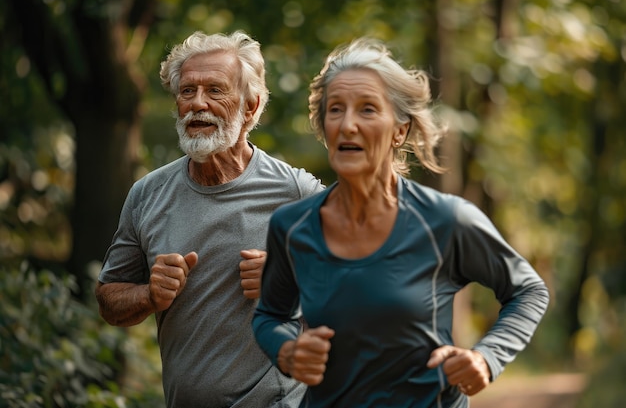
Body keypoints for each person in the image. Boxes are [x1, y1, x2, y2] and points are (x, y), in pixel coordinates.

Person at [252, 38, 550, 407]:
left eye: (367, 110)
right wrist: (288, 351)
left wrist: (486, 357)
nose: (347, 125)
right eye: (335, 110)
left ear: (400, 130)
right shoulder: (292, 226)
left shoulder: (445, 220)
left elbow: (527, 291)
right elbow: (269, 315)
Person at [95, 30, 324, 408]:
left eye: (215, 90)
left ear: (250, 107)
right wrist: (149, 295)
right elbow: (109, 300)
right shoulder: (147, 195)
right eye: (187, 91)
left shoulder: (296, 193)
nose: (197, 103)